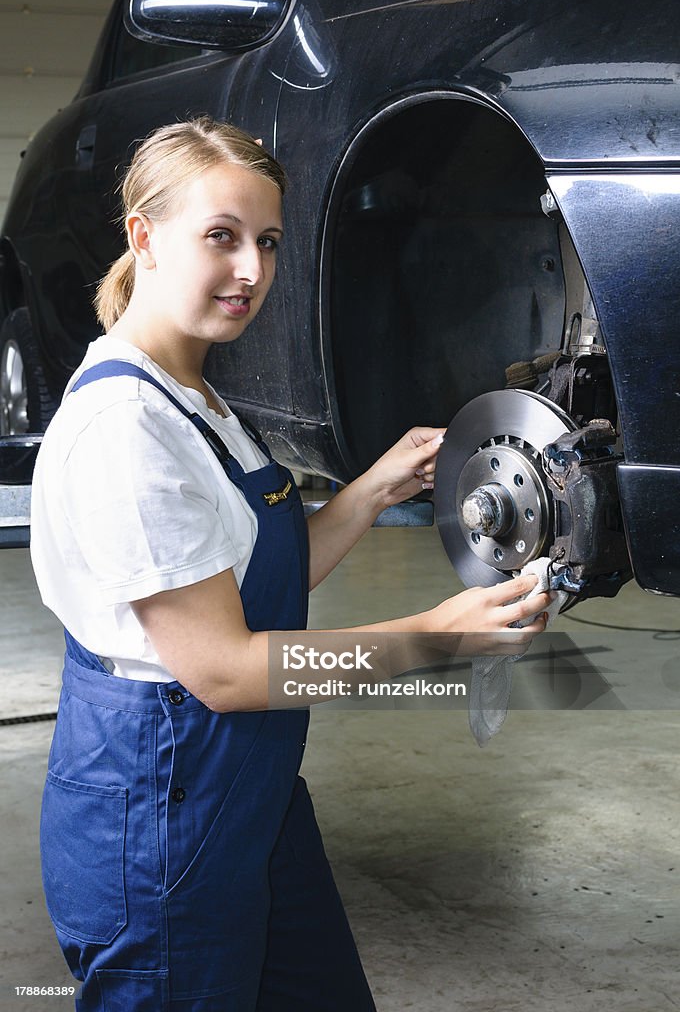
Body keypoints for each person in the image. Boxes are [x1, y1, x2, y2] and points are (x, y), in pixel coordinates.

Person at [30, 117, 552, 1012]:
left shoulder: (195, 395)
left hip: (250, 797)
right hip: (160, 817)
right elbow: (226, 670)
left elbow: (257, 581)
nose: (252, 272)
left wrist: (375, 487)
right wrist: (435, 636)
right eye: (221, 238)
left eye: (267, 242)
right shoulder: (128, 430)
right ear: (143, 238)